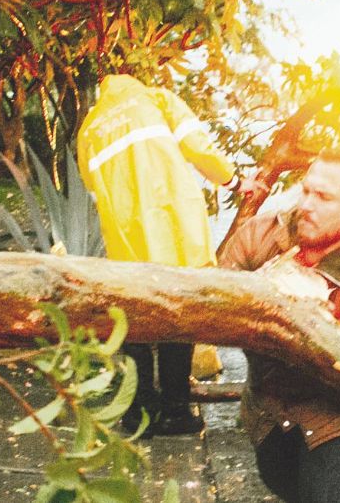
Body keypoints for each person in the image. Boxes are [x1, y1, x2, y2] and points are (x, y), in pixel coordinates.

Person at [76, 73, 259, 436]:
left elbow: (90, 183)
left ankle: (139, 415)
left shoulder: (90, 128)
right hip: (173, 222)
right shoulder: (157, 100)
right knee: (180, 312)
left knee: (136, 318)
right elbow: (199, 147)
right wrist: (236, 182)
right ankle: (176, 410)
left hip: (125, 232)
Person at [218, 149, 340, 503]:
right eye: (307, 190)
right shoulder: (261, 236)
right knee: (279, 482)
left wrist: (310, 333)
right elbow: (216, 303)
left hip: (335, 415)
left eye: (324, 197)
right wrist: (270, 298)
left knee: (324, 496)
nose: (307, 205)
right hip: (268, 400)